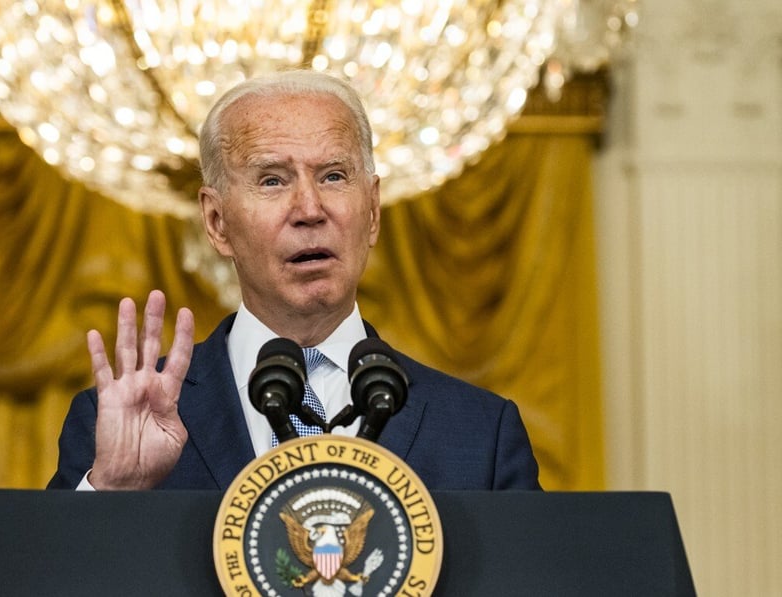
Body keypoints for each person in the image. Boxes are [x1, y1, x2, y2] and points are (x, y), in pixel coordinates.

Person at [47, 70, 541, 491]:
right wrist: (111, 495)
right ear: (217, 223)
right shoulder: (113, 424)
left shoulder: (481, 434)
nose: (309, 210)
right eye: (272, 180)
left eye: (332, 176)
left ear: (372, 212)